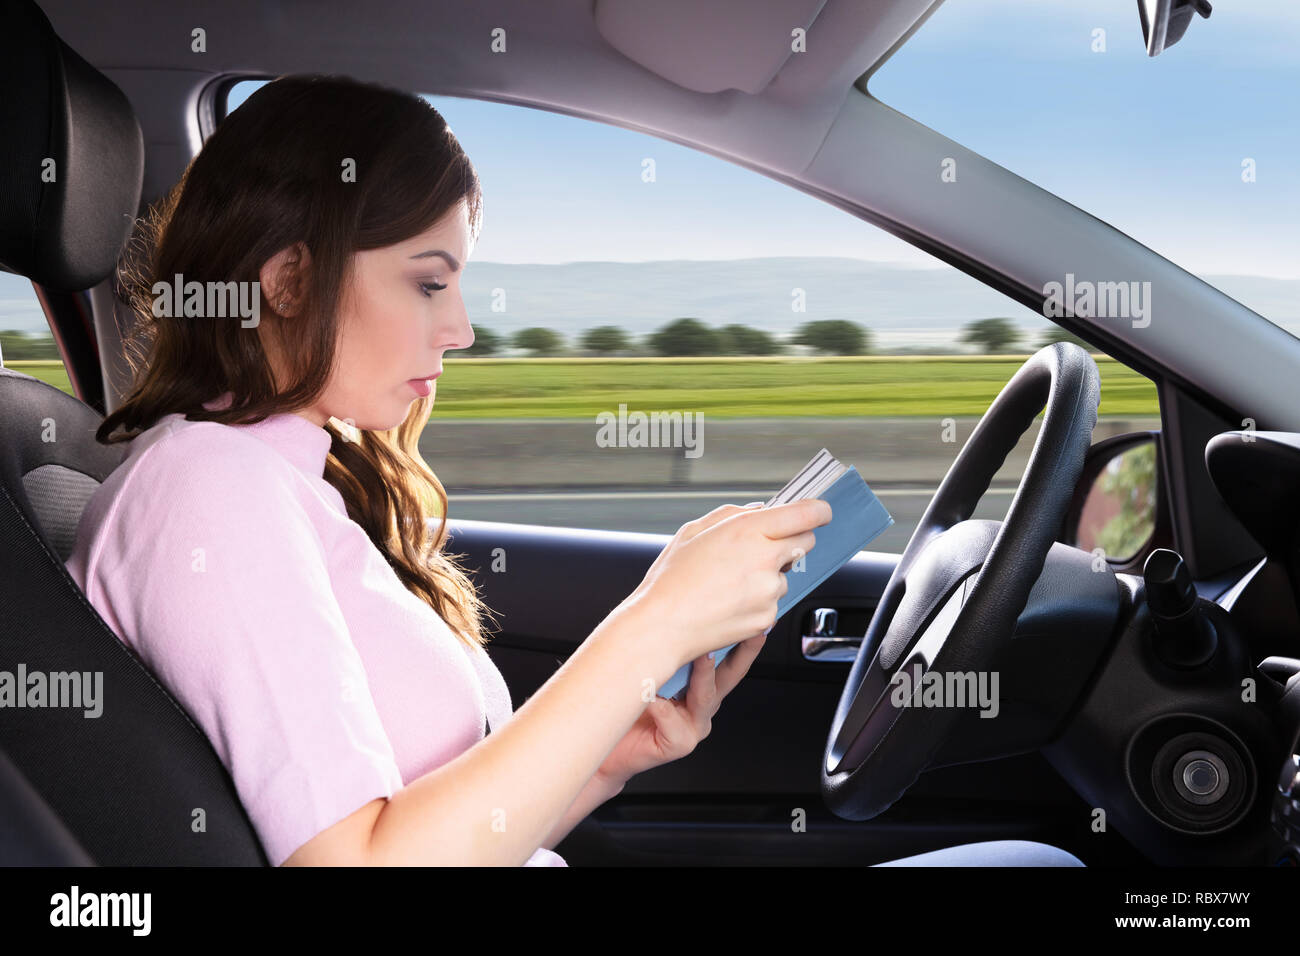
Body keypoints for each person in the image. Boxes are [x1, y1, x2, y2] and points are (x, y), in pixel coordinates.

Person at [65, 73, 1079, 868]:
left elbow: (428, 823)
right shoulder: (209, 490)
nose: (458, 328)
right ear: (288, 279)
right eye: (428, 282)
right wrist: (649, 627)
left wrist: (605, 757)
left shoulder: (286, 483)